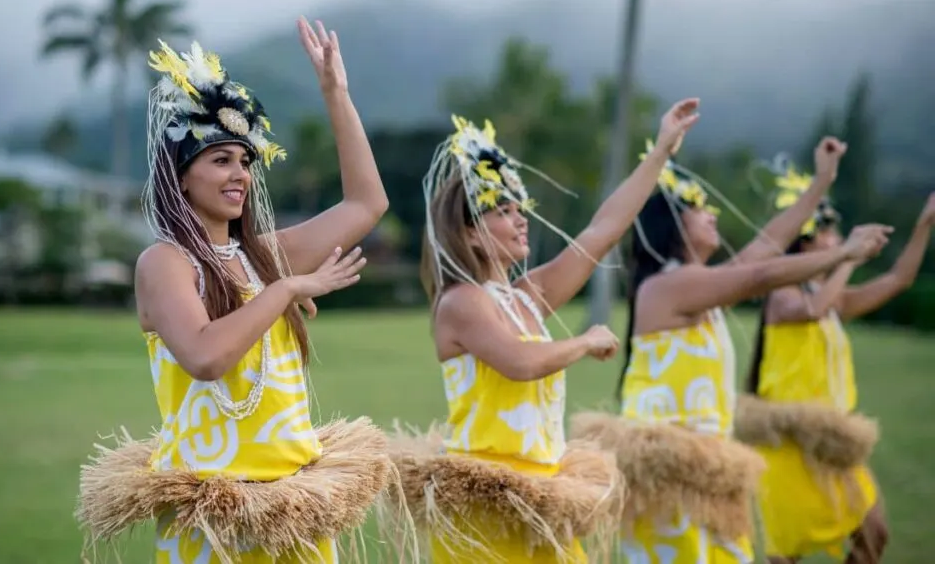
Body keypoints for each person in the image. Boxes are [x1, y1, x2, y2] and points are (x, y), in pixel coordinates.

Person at [75, 18, 399, 564]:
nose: (240, 174)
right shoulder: (165, 263)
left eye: (246, 161)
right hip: (212, 517)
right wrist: (286, 288)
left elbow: (366, 204)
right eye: (221, 159)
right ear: (181, 176)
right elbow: (205, 356)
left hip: (294, 506)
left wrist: (335, 94)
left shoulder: (261, 256)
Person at [387, 99, 702, 563]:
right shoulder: (460, 302)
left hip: (541, 497)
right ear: (471, 232)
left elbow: (603, 230)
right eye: (505, 211)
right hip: (487, 506)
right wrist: (585, 341)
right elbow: (520, 363)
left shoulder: (526, 296)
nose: (521, 219)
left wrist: (660, 153)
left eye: (522, 208)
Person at [574, 137, 891, 564]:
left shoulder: (700, 288)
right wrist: (843, 254)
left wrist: (821, 181)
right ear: (674, 225)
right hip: (670, 478)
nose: (713, 214)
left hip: (707, 478)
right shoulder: (665, 287)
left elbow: (767, 246)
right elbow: (759, 274)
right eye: (699, 210)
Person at [739, 157, 934, 563]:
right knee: (786, 552)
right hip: (789, 438)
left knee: (873, 533)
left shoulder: (831, 298)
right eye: (832, 234)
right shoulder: (784, 296)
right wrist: (848, 259)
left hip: (833, 439)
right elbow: (813, 309)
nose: (840, 239)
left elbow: (898, 279)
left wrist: (924, 225)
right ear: (806, 242)